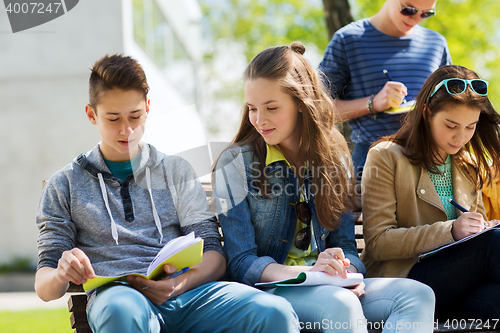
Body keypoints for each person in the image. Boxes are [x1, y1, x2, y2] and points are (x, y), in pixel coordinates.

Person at [35, 54, 299, 333]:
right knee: (121, 309)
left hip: (187, 294)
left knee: (274, 312)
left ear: (148, 108)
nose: (127, 130)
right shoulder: (64, 185)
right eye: (113, 119)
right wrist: (61, 273)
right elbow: (45, 285)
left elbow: (214, 255)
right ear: (91, 114)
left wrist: (176, 285)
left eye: (135, 116)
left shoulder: (175, 171)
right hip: (120, 298)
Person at [213, 42, 436, 333]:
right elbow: (242, 262)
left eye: (271, 108)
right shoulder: (235, 163)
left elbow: (344, 245)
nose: (259, 120)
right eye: (252, 108)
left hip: (328, 286)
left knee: (417, 294)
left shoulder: (334, 159)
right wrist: (308, 274)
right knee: (340, 303)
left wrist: (346, 271)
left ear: (302, 104)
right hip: (269, 292)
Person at [361, 64, 500, 321]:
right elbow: (378, 243)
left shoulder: (469, 163)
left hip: (458, 286)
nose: (461, 137)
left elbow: (477, 233)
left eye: (471, 127)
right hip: (402, 281)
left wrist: (480, 227)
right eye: (451, 125)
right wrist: (451, 231)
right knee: (495, 243)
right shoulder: (385, 156)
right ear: (426, 112)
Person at [318, 0, 451, 181]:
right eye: (409, 9)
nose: (416, 18)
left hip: (428, 160)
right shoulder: (348, 39)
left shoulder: (436, 43)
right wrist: (372, 103)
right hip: (370, 159)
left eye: (426, 13)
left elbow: (450, 105)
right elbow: (317, 110)